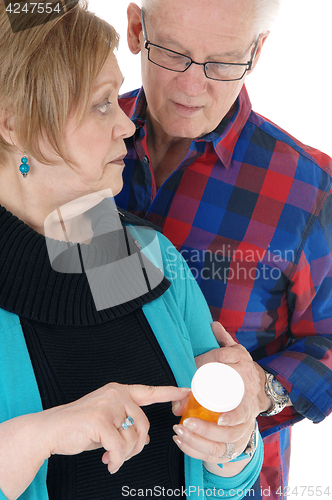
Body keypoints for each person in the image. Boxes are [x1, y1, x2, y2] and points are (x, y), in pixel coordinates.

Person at [0, 2, 267, 500]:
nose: (127, 124)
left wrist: (233, 445)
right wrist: (37, 436)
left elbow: (216, 483)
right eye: (101, 103)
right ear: (13, 124)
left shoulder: (136, 251)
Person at [115, 0, 332, 498]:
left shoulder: (310, 190)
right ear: (134, 29)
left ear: (256, 53)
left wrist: (263, 388)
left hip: (228, 484)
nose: (192, 86)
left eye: (222, 62)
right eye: (171, 52)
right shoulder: (69, 142)